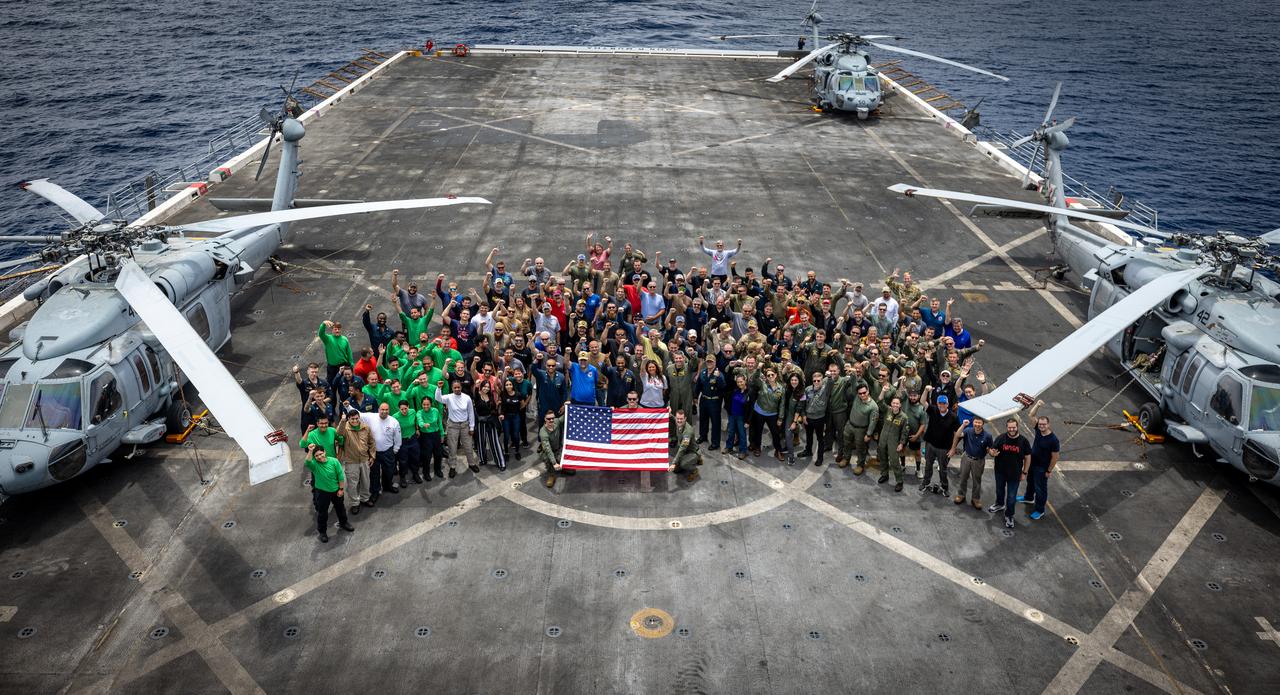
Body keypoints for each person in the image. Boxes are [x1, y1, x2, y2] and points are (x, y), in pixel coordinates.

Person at [987, 418, 1031, 529]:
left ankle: (1009, 515)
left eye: (1014, 427)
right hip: (1000, 472)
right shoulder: (1001, 438)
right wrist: (992, 453)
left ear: (1017, 427)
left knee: (1011, 497)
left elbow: (1027, 457)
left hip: (1015, 475)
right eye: (1009, 427)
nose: (1011, 429)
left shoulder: (1023, 441)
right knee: (999, 490)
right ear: (1007, 427)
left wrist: (1024, 472)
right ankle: (999, 504)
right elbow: (992, 450)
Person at [303, 448, 354, 543]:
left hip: (336, 491)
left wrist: (341, 489)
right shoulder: (314, 465)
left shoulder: (334, 461)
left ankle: (344, 523)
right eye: (317, 456)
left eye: (321, 454)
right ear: (314, 457)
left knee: (340, 508)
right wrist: (310, 451)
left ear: (325, 452)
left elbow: (340, 476)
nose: (319, 457)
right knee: (322, 513)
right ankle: (322, 532)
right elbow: (307, 462)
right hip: (322, 492)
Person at [1019, 405, 1060, 520]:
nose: (1041, 426)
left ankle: (1040, 510)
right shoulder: (1038, 430)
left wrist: (1049, 470)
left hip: (1042, 468)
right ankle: (1028, 497)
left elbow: (1055, 457)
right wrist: (1037, 405)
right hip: (1032, 463)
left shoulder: (1053, 440)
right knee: (1030, 481)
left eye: (1044, 424)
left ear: (1048, 424)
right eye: (1040, 424)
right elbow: (1031, 415)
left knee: (1040, 489)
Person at [436, 379, 478, 477]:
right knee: (452, 448)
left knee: (468, 446)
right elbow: (438, 398)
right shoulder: (449, 397)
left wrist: (471, 427)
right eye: (455, 387)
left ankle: (471, 464)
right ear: (452, 388)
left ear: (461, 387)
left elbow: (471, 413)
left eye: (458, 387)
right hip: (452, 426)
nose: (457, 389)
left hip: (464, 425)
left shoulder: (467, 398)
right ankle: (452, 467)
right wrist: (439, 388)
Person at [336, 409, 375, 515]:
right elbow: (338, 433)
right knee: (352, 484)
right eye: (352, 419)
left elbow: (371, 442)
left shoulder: (365, 428)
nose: (355, 421)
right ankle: (355, 503)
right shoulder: (345, 429)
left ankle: (365, 498)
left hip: (364, 459)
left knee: (366, 481)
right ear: (348, 419)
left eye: (356, 418)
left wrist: (372, 456)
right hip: (351, 461)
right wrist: (342, 421)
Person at [949, 416, 993, 509]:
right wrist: (963, 425)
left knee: (977, 480)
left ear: (983, 424)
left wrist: (992, 453)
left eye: (979, 423)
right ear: (973, 422)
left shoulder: (988, 436)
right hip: (966, 458)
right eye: (975, 422)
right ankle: (961, 495)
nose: (977, 424)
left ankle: (975, 499)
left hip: (979, 461)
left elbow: (989, 449)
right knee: (963, 477)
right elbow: (957, 435)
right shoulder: (968, 431)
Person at [360, 403, 400, 500]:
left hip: (388, 451)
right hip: (374, 453)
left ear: (389, 410)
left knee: (389, 470)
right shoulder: (371, 417)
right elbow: (358, 414)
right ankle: (375, 491)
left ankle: (387, 486)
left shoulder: (394, 422)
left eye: (386, 410)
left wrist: (396, 448)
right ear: (378, 410)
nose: (384, 411)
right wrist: (348, 406)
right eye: (382, 409)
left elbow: (397, 436)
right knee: (374, 473)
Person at [920, 394, 959, 494]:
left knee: (943, 469)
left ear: (948, 404)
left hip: (944, 448)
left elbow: (957, 434)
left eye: (944, 403)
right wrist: (926, 390)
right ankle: (926, 482)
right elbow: (922, 401)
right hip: (930, 445)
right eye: (940, 403)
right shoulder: (933, 410)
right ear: (937, 404)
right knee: (928, 465)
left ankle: (944, 487)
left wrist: (953, 449)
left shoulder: (953, 417)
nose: (942, 405)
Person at [876, 397, 910, 491]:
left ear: (900, 405)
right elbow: (879, 402)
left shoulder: (904, 417)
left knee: (894, 461)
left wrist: (901, 444)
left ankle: (899, 481)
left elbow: (905, 432)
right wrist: (883, 391)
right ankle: (884, 474)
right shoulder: (887, 410)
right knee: (882, 457)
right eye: (893, 403)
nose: (895, 405)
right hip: (883, 439)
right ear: (891, 403)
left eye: (897, 403)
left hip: (893, 442)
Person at [843, 383, 879, 474]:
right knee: (846, 443)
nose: (862, 395)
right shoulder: (857, 397)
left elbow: (873, 422)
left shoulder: (873, 406)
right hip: (850, 425)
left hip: (861, 430)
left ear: (868, 391)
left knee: (861, 448)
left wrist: (869, 434)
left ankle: (860, 465)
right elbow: (853, 381)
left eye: (864, 392)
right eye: (860, 393)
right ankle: (846, 458)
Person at [474, 380, 506, 471]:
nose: (486, 388)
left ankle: (501, 462)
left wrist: (498, 413)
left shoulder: (490, 396)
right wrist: (476, 386)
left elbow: (494, 410)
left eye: (488, 387)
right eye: (485, 386)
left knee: (495, 442)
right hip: (481, 422)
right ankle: (483, 460)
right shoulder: (477, 394)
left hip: (490, 421)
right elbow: (474, 400)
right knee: (481, 442)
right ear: (481, 386)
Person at [695, 356, 725, 450]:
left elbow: (723, 387)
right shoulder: (703, 372)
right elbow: (698, 385)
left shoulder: (719, 374)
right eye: (708, 361)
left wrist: (718, 377)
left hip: (714, 401)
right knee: (703, 419)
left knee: (715, 422)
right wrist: (695, 397)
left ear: (715, 362)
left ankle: (715, 443)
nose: (709, 363)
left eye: (711, 362)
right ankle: (703, 436)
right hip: (704, 400)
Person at [415, 397, 445, 480]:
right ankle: (426, 473)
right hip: (425, 436)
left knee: (438, 454)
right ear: (421, 404)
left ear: (431, 404)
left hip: (436, 434)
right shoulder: (419, 412)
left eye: (427, 404)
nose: (426, 406)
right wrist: (423, 425)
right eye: (424, 404)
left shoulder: (435, 410)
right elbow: (420, 421)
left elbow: (439, 422)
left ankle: (438, 470)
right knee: (427, 456)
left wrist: (442, 434)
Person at [668, 410, 702, 482]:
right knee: (676, 470)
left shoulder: (688, 432)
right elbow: (674, 418)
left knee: (683, 464)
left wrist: (674, 463)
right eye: (678, 418)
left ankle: (694, 470)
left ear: (685, 418)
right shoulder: (678, 422)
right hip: (686, 450)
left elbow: (682, 448)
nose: (679, 421)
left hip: (692, 451)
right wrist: (670, 414)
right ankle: (693, 460)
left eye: (681, 419)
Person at [392, 401, 419, 486]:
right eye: (402, 409)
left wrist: (417, 429)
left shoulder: (413, 412)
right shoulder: (395, 417)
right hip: (402, 441)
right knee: (403, 460)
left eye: (405, 408)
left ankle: (415, 474)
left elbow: (416, 421)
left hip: (413, 439)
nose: (404, 411)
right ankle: (402, 477)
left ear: (408, 407)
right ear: (399, 409)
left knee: (415, 458)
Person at [725, 374, 750, 459]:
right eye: (738, 382)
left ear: (745, 381)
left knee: (742, 434)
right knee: (731, 431)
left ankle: (743, 451)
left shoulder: (749, 392)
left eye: (741, 381)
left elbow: (751, 408)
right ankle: (729, 447)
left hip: (742, 417)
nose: (740, 383)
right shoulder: (735, 389)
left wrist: (748, 421)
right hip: (732, 415)